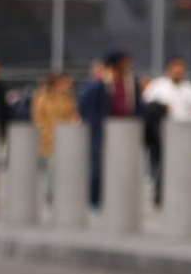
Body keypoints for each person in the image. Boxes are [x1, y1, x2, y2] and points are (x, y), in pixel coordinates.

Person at [77, 49, 140, 209]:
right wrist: (97, 128)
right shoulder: (100, 83)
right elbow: (86, 108)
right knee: (98, 167)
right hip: (103, 130)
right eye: (124, 62)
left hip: (125, 130)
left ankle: (118, 199)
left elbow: (136, 106)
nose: (128, 65)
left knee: (122, 166)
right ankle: (95, 200)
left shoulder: (130, 82)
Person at [142, 56, 191, 205]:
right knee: (159, 163)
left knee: (180, 166)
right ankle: (158, 192)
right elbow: (146, 106)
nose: (177, 73)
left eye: (180, 70)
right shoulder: (158, 86)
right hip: (161, 132)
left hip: (183, 134)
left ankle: (177, 194)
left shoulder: (190, 89)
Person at [31, 71, 79, 203]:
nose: (69, 85)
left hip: (65, 137)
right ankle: (51, 194)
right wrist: (45, 133)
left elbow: (72, 115)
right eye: (66, 82)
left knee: (63, 166)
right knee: (50, 167)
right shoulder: (43, 96)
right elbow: (38, 117)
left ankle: (62, 193)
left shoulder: (68, 98)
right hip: (48, 137)